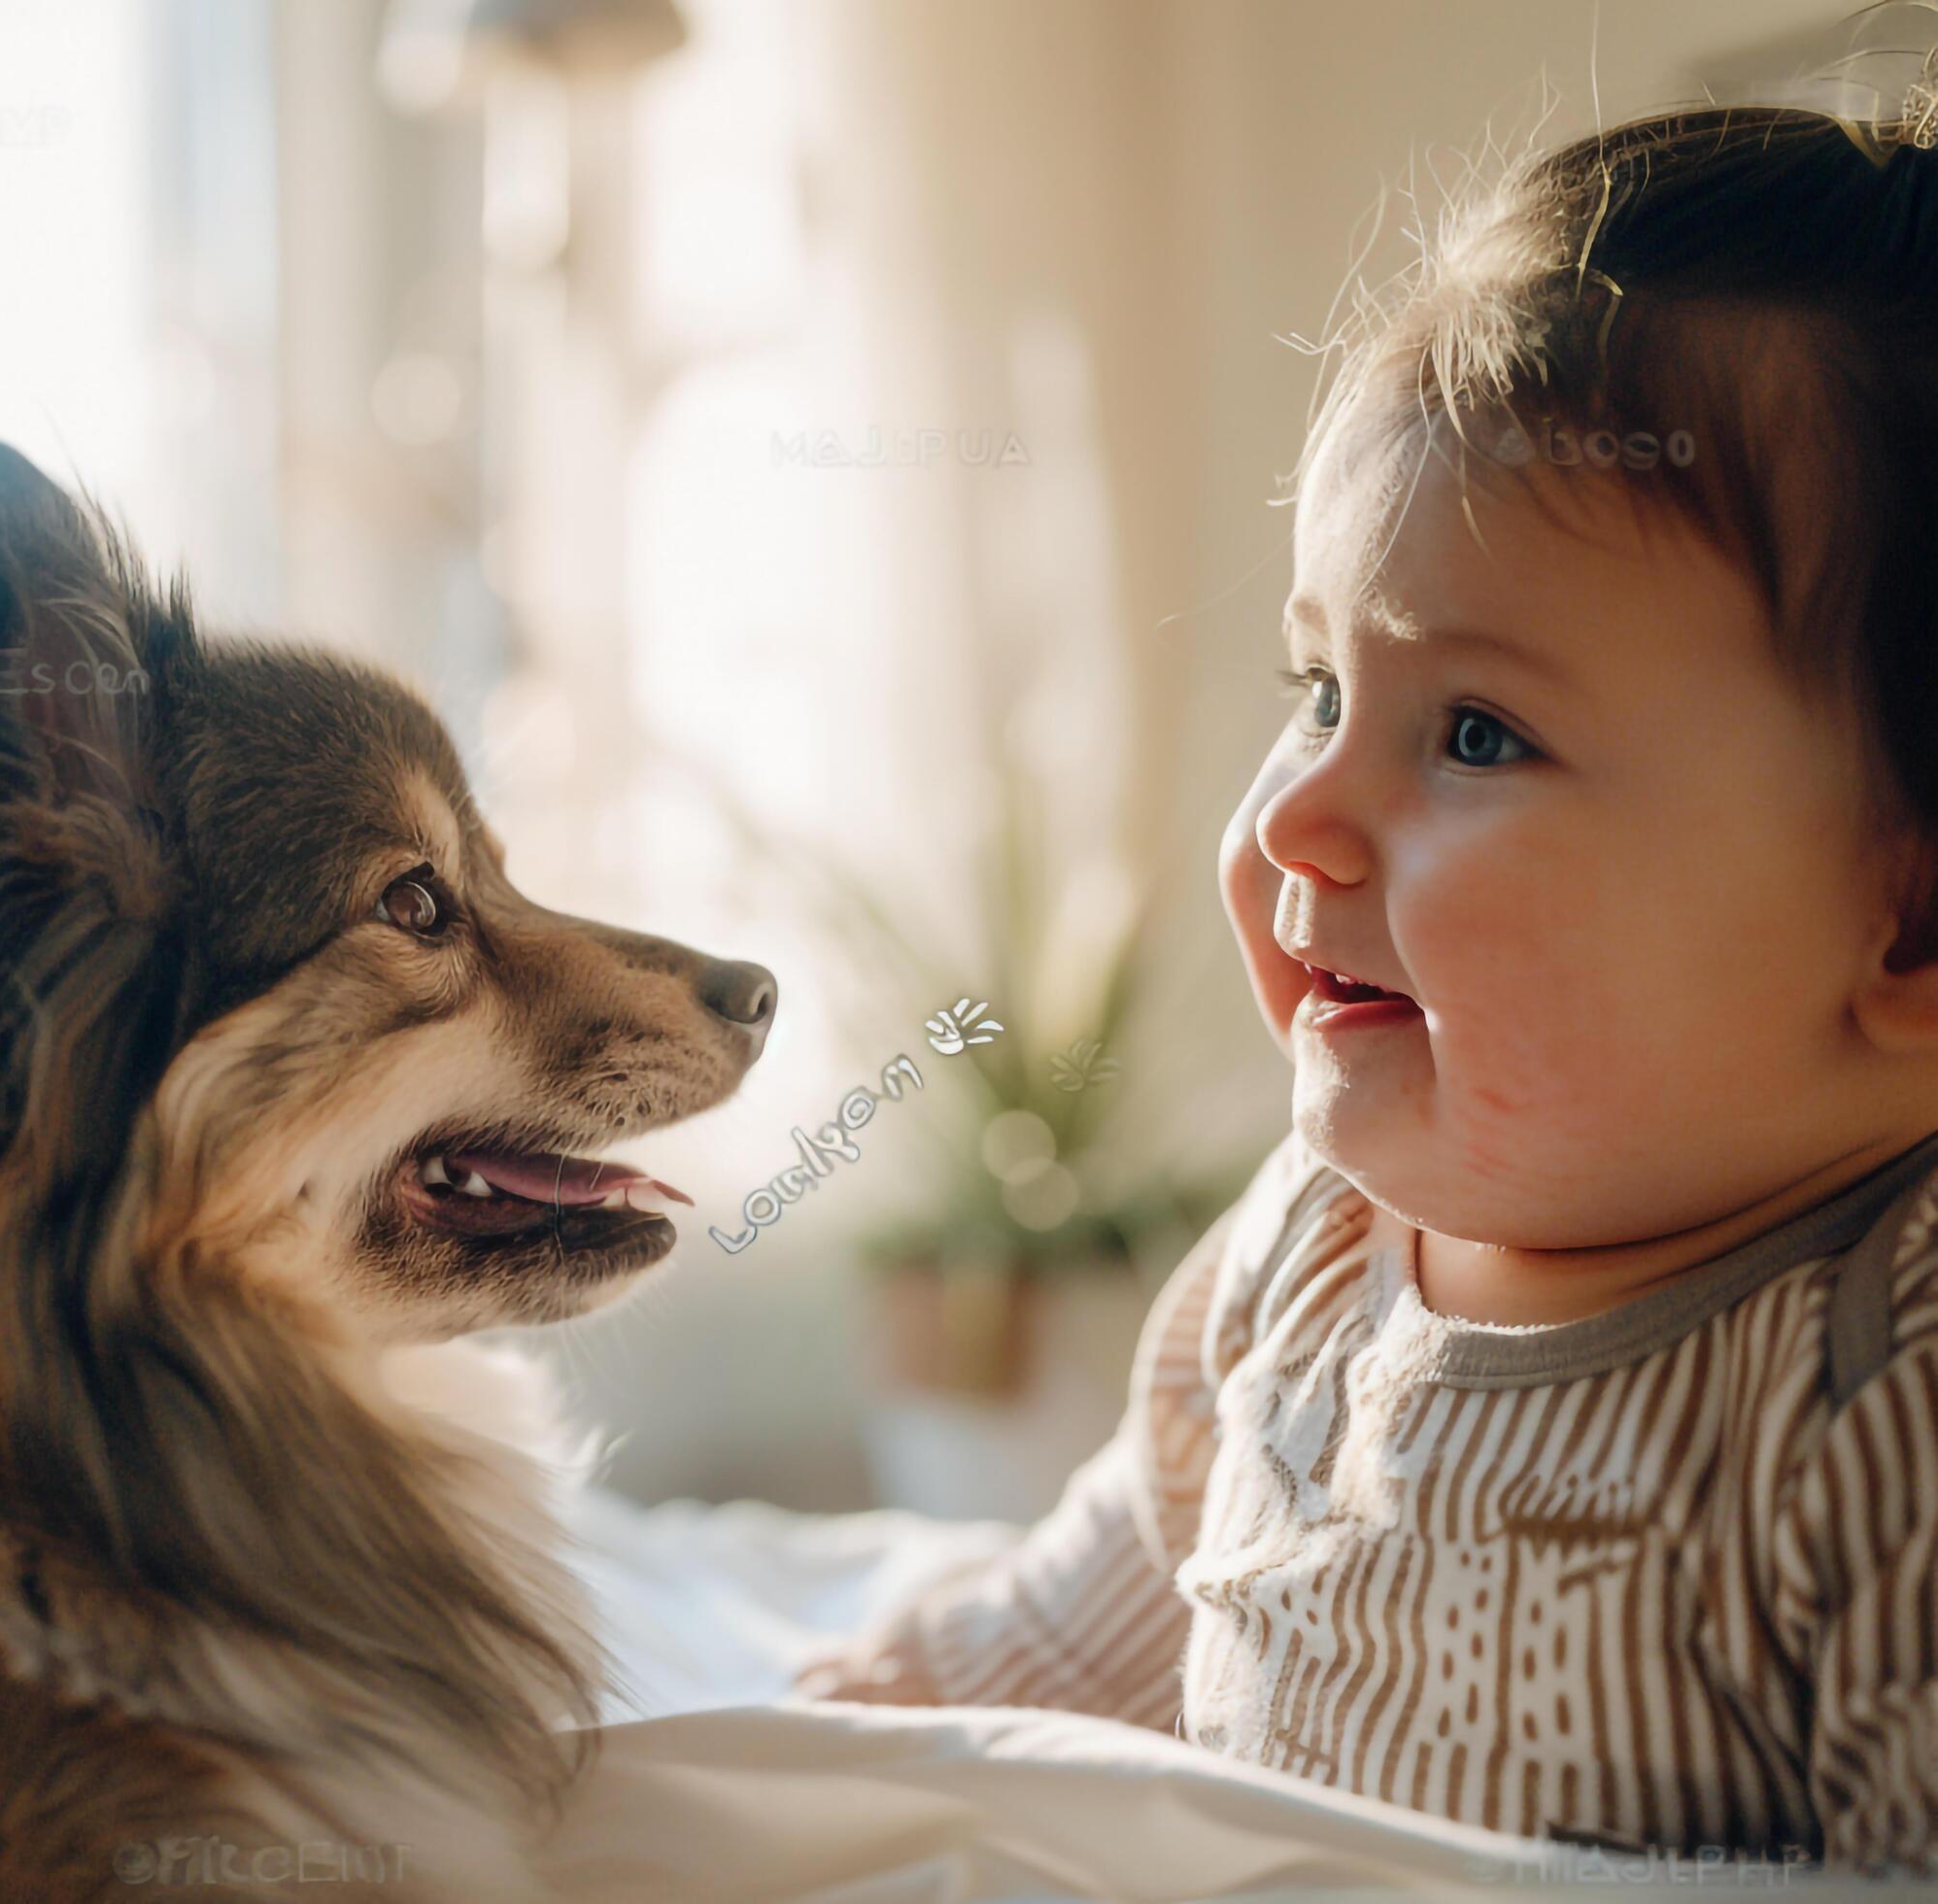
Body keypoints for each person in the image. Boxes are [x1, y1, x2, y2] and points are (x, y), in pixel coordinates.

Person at [795, 82, 1938, 1876]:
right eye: (1318, 690)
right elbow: (1123, 1592)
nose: (1302, 814)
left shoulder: (1875, 1384)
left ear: (1914, 930)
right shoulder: (1312, 1240)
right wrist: (874, 1719)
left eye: (1477, 731)